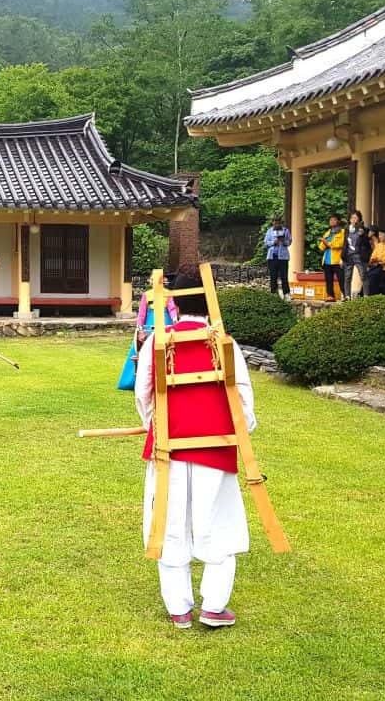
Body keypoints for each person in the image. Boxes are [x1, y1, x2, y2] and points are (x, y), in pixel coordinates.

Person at [134, 265, 256, 629]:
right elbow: (243, 402)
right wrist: (242, 429)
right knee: (216, 523)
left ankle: (179, 609)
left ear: (175, 303)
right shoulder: (224, 343)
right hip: (216, 451)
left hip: (167, 451)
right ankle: (214, 606)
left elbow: (144, 395)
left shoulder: (157, 342)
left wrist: (152, 424)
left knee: (169, 523)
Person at [117, 287, 175, 391]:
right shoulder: (147, 294)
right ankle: (137, 379)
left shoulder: (168, 294)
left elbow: (172, 309)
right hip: (150, 324)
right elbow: (142, 313)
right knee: (143, 351)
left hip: (165, 323)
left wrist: (175, 319)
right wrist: (139, 327)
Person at [341, 210, 371, 299]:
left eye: (355, 217)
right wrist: (342, 257)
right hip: (348, 255)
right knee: (347, 276)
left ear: (359, 219)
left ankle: (366, 295)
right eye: (352, 217)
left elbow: (367, 243)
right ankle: (347, 296)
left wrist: (362, 235)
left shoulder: (363, 229)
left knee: (363, 275)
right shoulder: (346, 229)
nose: (353, 219)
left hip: (359, 255)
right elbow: (344, 243)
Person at [263, 215, 292, 300]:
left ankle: (286, 293)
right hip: (272, 257)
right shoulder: (269, 231)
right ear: (273, 223)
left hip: (283, 257)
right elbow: (265, 242)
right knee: (273, 276)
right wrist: (273, 242)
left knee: (284, 276)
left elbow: (289, 241)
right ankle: (273, 293)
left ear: (280, 223)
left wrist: (284, 241)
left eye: (278, 223)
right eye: (274, 223)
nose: (276, 225)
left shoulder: (286, 231)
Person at [318, 214, 345, 301]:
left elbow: (339, 244)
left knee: (341, 278)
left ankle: (345, 294)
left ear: (339, 221)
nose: (332, 221)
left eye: (334, 220)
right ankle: (330, 295)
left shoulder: (342, 232)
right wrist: (324, 242)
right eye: (330, 220)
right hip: (327, 260)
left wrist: (327, 243)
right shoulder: (328, 233)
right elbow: (321, 247)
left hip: (337, 260)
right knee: (328, 279)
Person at [367, 229, 385, 296]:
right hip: (377, 268)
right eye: (379, 235)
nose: (379, 236)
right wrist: (377, 260)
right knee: (370, 277)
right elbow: (372, 258)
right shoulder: (378, 245)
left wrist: (378, 260)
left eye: (381, 235)